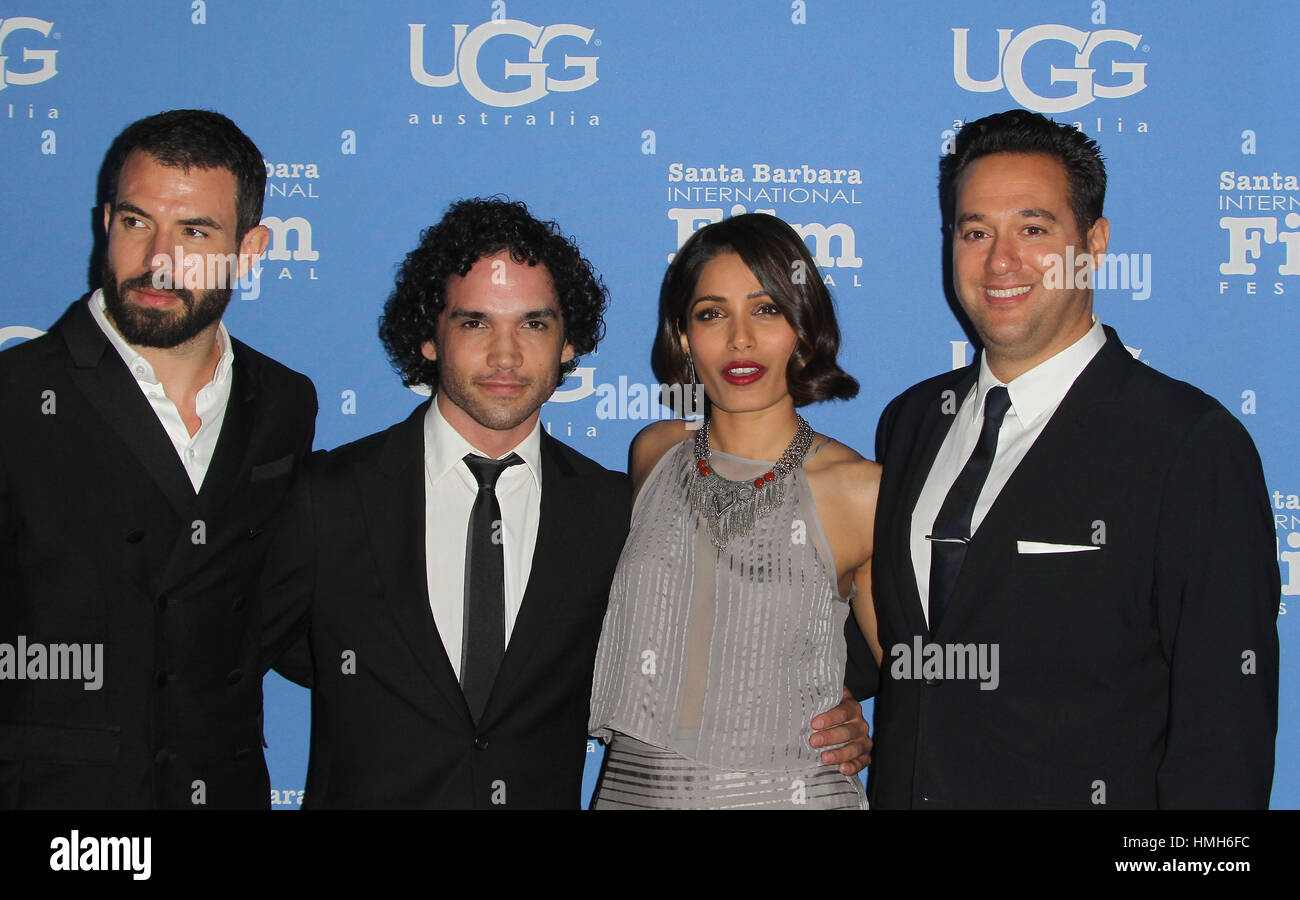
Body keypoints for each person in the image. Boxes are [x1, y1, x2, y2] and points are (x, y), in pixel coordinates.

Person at [273, 198, 869, 808]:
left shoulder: (612, 506)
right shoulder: (330, 495)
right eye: (475, 322)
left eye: (533, 323)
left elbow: (741, 621)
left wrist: (834, 705)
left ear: (568, 342)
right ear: (429, 336)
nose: (505, 355)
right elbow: (251, 653)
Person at [867, 109, 1279, 808]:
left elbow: (1223, 731)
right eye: (975, 232)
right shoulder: (912, 421)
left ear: (1092, 245)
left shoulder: (1188, 443)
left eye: (1033, 229)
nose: (1000, 261)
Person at [0, 109, 317, 808]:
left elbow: (275, 609)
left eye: (195, 232)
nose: (157, 261)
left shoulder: (285, 404)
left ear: (252, 247)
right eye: (136, 223)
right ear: (104, 223)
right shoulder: (16, 397)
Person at [588, 213, 881, 809]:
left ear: (804, 326)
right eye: (712, 313)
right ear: (683, 336)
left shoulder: (859, 490)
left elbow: (921, 680)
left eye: (767, 309)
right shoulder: (654, 454)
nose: (740, 339)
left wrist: (853, 716)